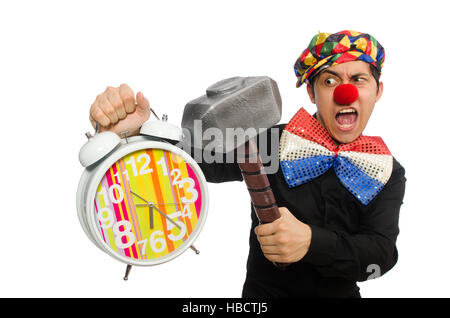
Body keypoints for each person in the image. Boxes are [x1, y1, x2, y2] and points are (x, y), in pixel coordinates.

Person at [88, 30, 406, 297]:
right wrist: (137, 129)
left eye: (358, 79)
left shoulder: (387, 171)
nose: (345, 92)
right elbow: (195, 158)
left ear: (377, 91)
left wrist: (311, 242)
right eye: (329, 81)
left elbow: (379, 255)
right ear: (311, 92)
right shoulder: (270, 141)